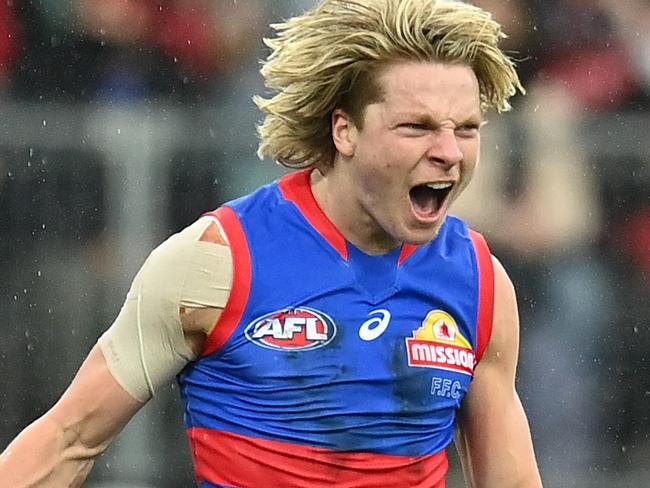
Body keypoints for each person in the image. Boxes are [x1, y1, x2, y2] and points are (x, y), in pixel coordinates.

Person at [0, 0, 543, 486]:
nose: (449, 151)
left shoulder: (479, 281)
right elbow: (67, 442)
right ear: (344, 130)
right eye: (417, 127)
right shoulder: (216, 261)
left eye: (467, 129)